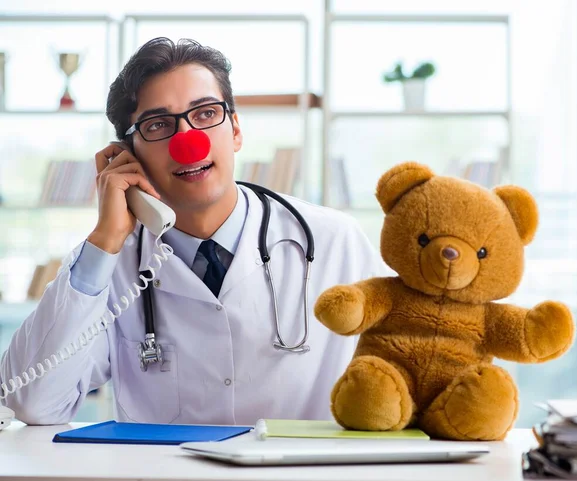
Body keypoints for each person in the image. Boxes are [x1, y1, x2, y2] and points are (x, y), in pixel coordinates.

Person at [1, 37, 392, 426]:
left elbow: (408, 366)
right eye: (158, 125)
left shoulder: (333, 241)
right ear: (127, 155)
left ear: (235, 130)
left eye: (205, 114)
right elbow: (34, 403)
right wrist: (105, 240)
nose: (187, 142)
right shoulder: (107, 266)